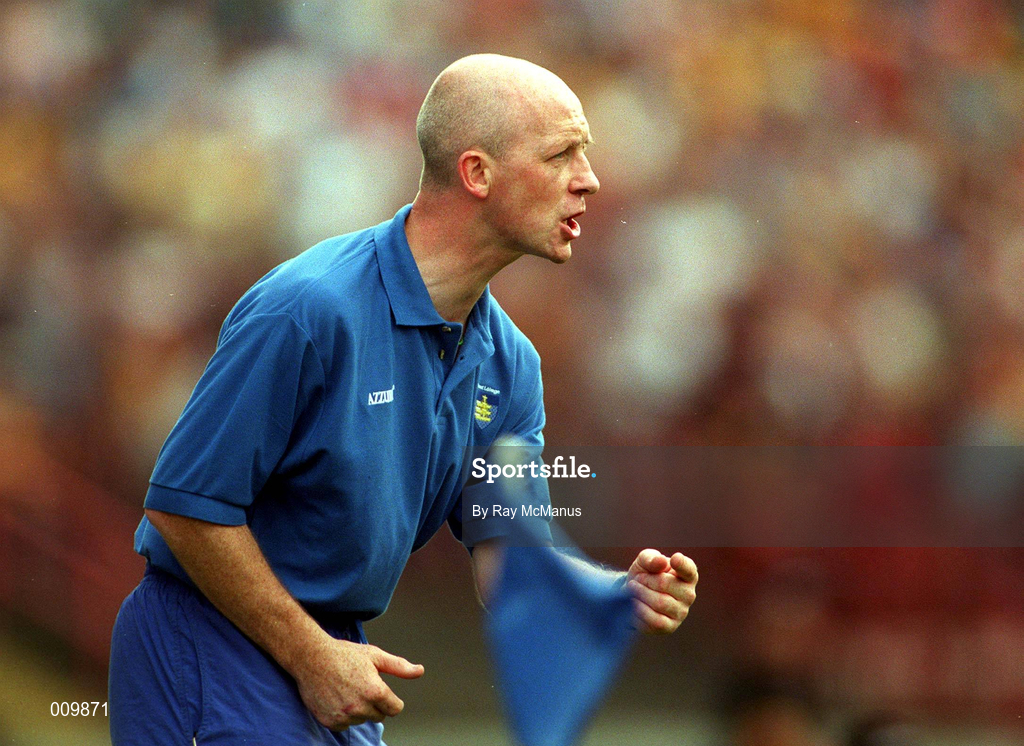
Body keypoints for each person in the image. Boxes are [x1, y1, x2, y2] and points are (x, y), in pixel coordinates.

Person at [108, 53, 699, 745]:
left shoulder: (512, 366)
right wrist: (310, 654)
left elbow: (506, 555)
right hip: (209, 643)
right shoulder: (308, 309)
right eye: (562, 153)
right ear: (477, 173)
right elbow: (183, 509)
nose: (589, 180)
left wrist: (610, 591)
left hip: (336, 656)